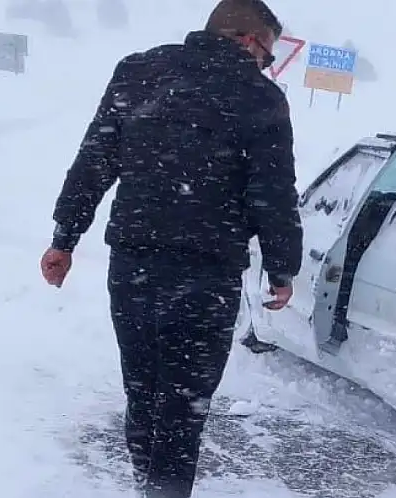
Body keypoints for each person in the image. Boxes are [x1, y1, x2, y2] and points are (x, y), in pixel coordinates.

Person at [38, 0, 303, 496]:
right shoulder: (261, 99)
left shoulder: (139, 71)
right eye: (268, 57)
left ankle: (146, 484)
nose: (267, 67)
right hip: (208, 275)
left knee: (142, 392)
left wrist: (64, 239)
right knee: (183, 407)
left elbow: (94, 160)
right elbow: (273, 193)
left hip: (133, 267)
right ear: (249, 42)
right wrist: (283, 268)